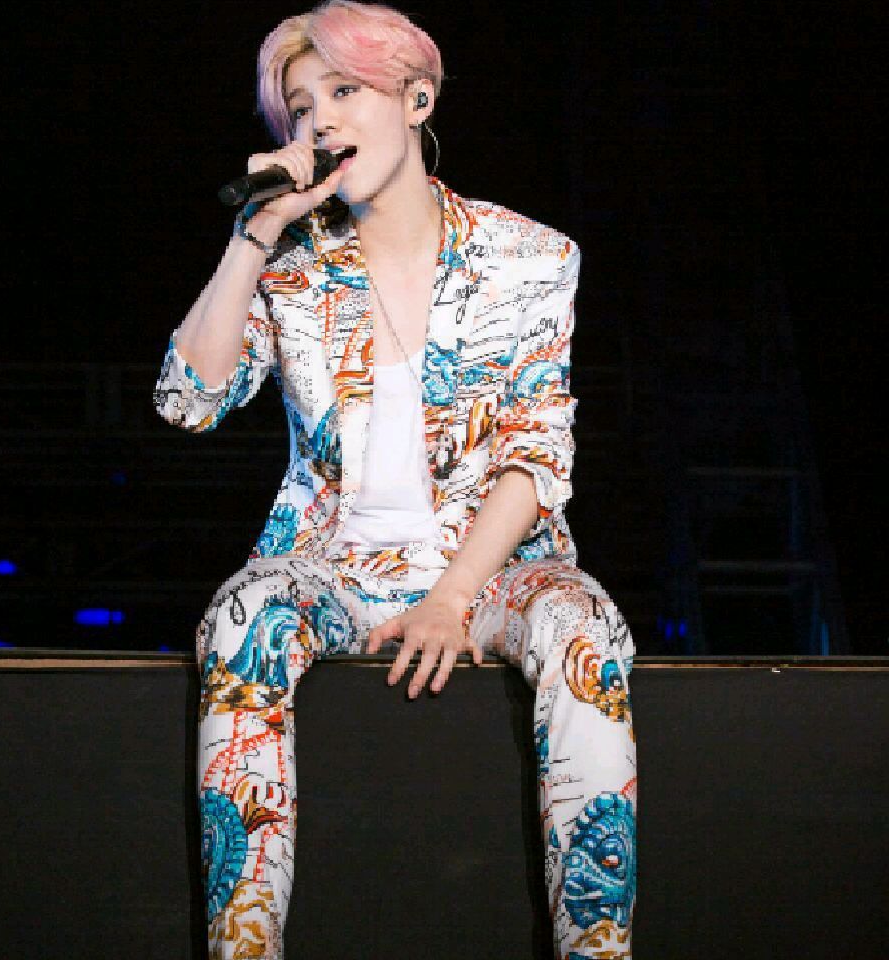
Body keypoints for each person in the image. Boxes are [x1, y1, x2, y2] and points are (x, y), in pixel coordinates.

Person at [153, 1, 637, 957]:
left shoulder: (529, 257)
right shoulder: (293, 265)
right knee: (244, 614)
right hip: (335, 567)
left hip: (489, 571)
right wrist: (255, 236)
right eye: (300, 107)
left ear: (417, 99)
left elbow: (537, 455)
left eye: (344, 90)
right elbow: (188, 401)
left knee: (585, 624)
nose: (320, 122)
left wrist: (453, 598)